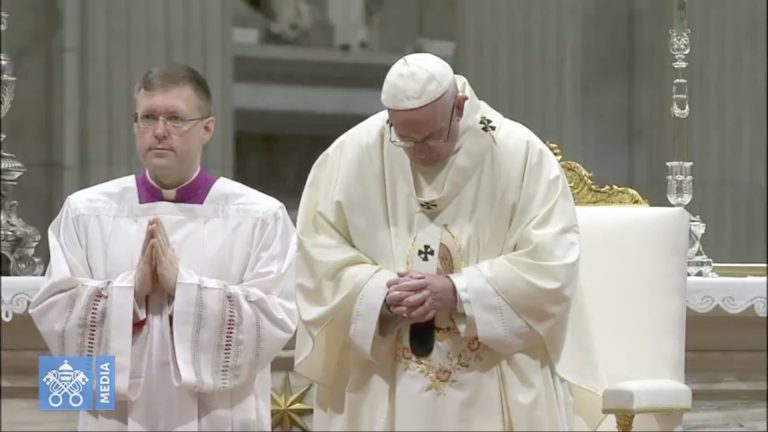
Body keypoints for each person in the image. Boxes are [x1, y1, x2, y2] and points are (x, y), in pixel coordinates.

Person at [293, 53, 604, 430]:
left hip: (495, 373)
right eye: (405, 138)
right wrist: (381, 294)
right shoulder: (351, 155)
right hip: (384, 373)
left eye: (430, 137)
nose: (418, 150)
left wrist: (459, 292)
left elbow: (552, 264)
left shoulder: (519, 154)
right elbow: (318, 255)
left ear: (459, 107)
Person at [29, 64, 298, 431]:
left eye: (175, 118)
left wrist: (183, 288)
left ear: (207, 129)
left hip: (218, 418)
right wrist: (131, 292)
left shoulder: (260, 217)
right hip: (114, 420)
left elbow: (275, 322)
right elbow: (56, 325)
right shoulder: (85, 212)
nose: (158, 131)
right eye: (147, 117)